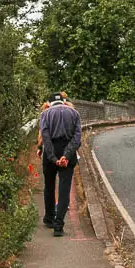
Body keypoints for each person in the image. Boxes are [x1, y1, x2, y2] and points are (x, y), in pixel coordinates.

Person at [38, 91, 82, 237]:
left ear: (49, 103)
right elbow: (77, 139)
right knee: (64, 188)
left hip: (51, 151)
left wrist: (53, 157)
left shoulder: (45, 114)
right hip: (67, 150)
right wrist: (66, 156)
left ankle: (49, 218)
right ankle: (58, 226)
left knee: (49, 186)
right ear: (63, 101)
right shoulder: (74, 113)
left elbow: (45, 137)